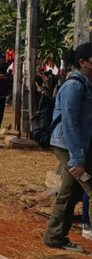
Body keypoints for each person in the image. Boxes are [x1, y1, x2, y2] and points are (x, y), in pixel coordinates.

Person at [44, 43, 92, 253]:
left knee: (69, 193)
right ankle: (54, 237)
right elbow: (71, 123)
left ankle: (54, 237)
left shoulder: (87, 83)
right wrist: (77, 160)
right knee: (89, 189)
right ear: (82, 62)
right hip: (68, 145)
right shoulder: (74, 86)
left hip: (78, 145)